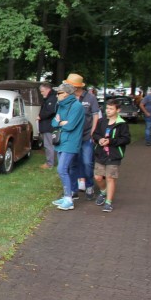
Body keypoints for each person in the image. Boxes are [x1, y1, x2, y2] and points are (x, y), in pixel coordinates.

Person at [92, 99, 131, 213]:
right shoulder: (101, 121)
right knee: (98, 177)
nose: (108, 111)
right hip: (100, 153)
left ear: (118, 110)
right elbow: (95, 134)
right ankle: (103, 191)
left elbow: (126, 139)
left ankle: (108, 202)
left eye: (111, 109)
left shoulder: (122, 124)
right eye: (107, 108)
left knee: (110, 178)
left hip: (113, 155)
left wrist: (110, 141)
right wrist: (99, 140)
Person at [65, 73, 100, 200]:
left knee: (87, 162)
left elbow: (96, 115)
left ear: (76, 86)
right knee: (72, 163)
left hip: (86, 137)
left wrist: (93, 132)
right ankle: (74, 189)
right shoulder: (69, 98)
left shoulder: (90, 98)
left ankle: (89, 185)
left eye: (70, 85)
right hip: (73, 137)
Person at [51, 83, 85, 211]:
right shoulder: (61, 105)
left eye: (59, 93)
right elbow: (54, 122)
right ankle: (67, 195)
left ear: (66, 94)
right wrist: (61, 122)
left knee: (61, 169)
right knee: (66, 169)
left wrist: (60, 122)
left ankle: (68, 200)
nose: (57, 95)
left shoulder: (77, 106)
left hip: (71, 142)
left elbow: (71, 126)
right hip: (61, 141)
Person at [37, 81, 57, 169]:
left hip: (49, 126)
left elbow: (50, 111)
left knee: (48, 145)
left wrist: (40, 116)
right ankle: (52, 162)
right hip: (48, 125)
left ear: (48, 89)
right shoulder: (51, 97)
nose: (41, 94)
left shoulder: (52, 99)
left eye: (42, 91)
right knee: (51, 144)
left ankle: (50, 164)